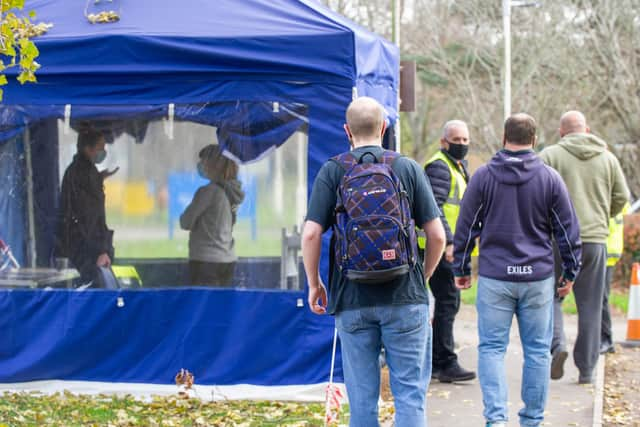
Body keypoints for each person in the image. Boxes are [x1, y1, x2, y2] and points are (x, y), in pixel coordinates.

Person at [302, 97, 445, 427]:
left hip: (352, 300)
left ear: (346, 131)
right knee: (409, 396)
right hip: (405, 298)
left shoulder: (333, 170)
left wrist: (315, 284)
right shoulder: (406, 168)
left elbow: (310, 235)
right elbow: (437, 236)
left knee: (363, 400)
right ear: (384, 127)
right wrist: (420, 276)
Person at [453, 114, 582, 427]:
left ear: (503, 137)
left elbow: (467, 225)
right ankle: (532, 420)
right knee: (538, 351)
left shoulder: (483, 177)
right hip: (537, 277)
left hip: (496, 276)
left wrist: (461, 265)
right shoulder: (550, 178)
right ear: (534, 139)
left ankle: (496, 420)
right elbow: (567, 231)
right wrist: (570, 273)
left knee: (492, 348)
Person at [539, 111, 630, 383]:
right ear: (587, 130)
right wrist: (601, 216)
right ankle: (587, 370)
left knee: (552, 296)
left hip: (557, 239)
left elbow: (533, 191)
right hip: (594, 241)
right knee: (590, 306)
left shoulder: (550, 156)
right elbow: (621, 198)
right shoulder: (608, 158)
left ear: (561, 132)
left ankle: (558, 346)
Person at [419, 119, 476, 383]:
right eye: (457, 139)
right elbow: (434, 208)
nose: (461, 144)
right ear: (444, 141)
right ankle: (443, 362)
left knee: (447, 302)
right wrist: (451, 242)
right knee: (448, 301)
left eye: (465, 140)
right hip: (438, 246)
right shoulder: (441, 168)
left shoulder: (455, 166)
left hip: (444, 246)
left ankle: (438, 360)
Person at [56, 128, 118, 287]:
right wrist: (100, 251)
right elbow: (88, 218)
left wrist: (98, 179)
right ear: (87, 148)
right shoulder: (82, 174)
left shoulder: (80, 172)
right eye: (100, 147)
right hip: (86, 254)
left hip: (80, 249)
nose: (103, 152)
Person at [180, 145, 244, 286]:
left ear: (214, 166)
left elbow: (185, 222)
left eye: (203, 162)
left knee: (204, 305)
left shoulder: (208, 192)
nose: (200, 166)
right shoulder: (232, 191)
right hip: (228, 259)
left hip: (205, 261)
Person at [601, 203, 630, 354]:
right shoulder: (618, 200)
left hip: (604, 253)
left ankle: (606, 340)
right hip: (607, 253)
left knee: (601, 299)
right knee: (600, 298)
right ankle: (603, 339)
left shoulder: (610, 200)